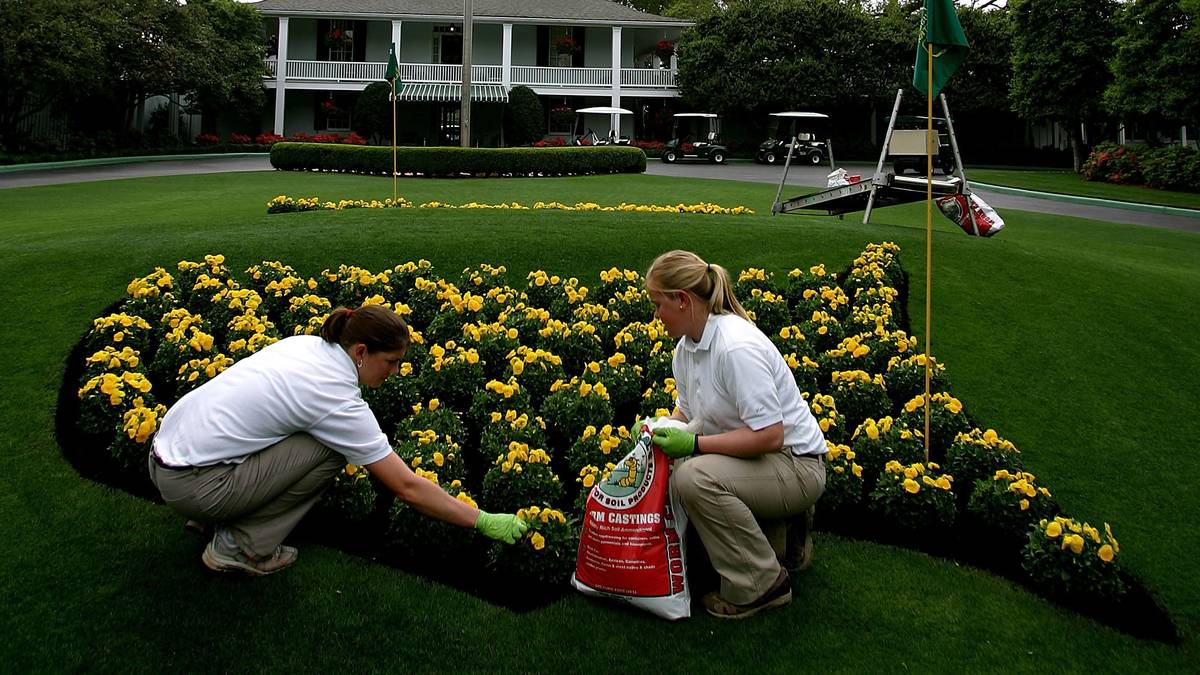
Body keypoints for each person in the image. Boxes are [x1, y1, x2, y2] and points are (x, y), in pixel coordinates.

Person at [148, 304, 527, 575]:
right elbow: (407, 486)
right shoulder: (336, 398)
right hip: (194, 485)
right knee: (330, 448)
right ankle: (241, 547)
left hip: (165, 456)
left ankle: (214, 518)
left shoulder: (306, 345)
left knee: (300, 431)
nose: (396, 372)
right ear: (361, 351)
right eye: (391, 362)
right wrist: (480, 520)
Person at [644, 251, 827, 619]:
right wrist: (658, 426)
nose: (656, 316)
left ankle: (761, 585)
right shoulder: (687, 348)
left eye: (659, 304)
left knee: (694, 478)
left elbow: (771, 436)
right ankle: (783, 533)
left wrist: (694, 443)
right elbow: (688, 412)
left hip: (797, 466)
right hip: (761, 461)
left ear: (682, 300)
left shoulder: (735, 347)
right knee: (683, 465)